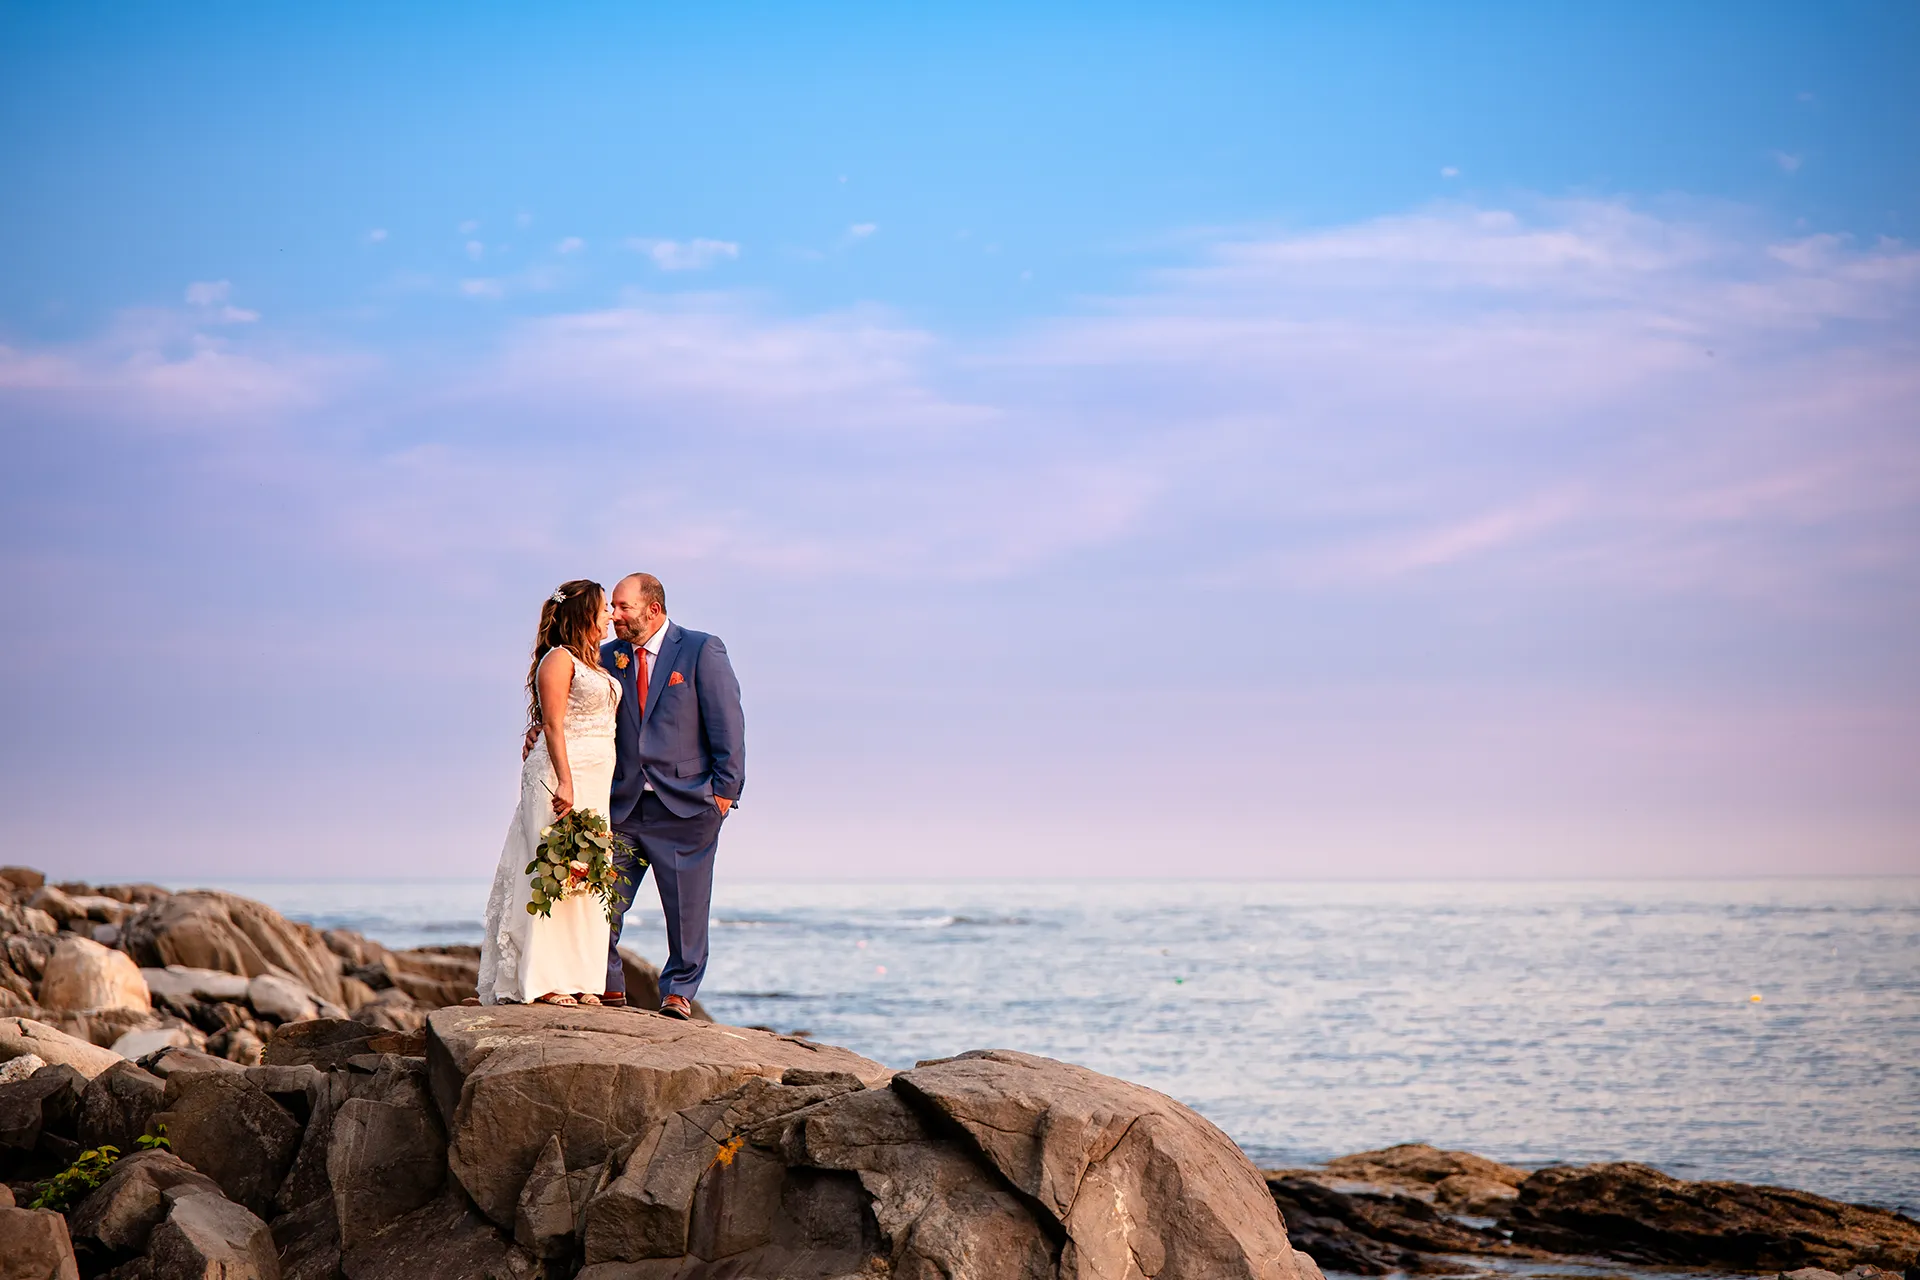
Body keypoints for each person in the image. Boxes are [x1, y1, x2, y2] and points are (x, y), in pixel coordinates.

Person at [597, 572, 745, 1019]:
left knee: (686, 911)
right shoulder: (608, 657)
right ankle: (609, 988)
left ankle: (678, 993)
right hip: (622, 806)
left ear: (653, 609)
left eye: (622, 607)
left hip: (686, 806)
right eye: (613, 607)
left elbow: (727, 722)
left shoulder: (701, 649)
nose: (613, 616)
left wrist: (724, 792)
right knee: (599, 903)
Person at [477, 579, 621, 1006]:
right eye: (604, 608)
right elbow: (555, 723)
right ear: (585, 615)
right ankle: (546, 980)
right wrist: (566, 779)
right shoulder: (558, 660)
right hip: (563, 776)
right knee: (553, 869)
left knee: (588, 874)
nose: (610, 615)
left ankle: (582, 979)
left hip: (597, 780)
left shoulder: (592, 662)